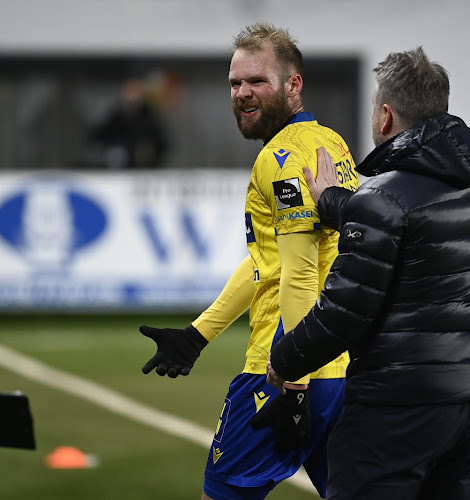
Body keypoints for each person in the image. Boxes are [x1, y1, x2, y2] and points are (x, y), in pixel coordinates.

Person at [266, 47, 470, 500]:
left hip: (399, 401)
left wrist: (286, 359)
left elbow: (345, 310)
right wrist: (335, 202)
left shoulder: (383, 197)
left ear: (386, 116)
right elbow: (407, 221)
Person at [137, 23, 359, 500]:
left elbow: (298, 275)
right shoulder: (333, 145)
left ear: (292, 85)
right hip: (338, 369)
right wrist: (200, 334)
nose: (241, 93)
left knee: (222, 494)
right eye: (235, 83)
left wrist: (293, 387)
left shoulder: (279, 158)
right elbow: (271, 263)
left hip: (280, 372)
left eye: (257, 81)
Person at [89, 73, 169, 169]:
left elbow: (163, 144)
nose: (131, 96)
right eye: (128, 91)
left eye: (135, 91)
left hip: (141, 171)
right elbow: (96, 137)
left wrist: (151, 161)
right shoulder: (115, 116)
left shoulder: (150, 119)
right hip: (114, 170)